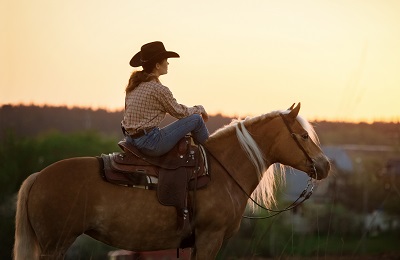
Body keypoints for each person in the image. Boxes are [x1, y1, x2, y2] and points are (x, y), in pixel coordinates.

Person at [121, 41, 209, 157]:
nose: (168, 63)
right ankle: (212, 154)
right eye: (166, 60)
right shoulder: (158, 89)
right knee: (196, 119)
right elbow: (180, 112)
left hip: (131, 140)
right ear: (157, 65)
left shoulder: (134, 85)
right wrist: (199, 108)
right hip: (149, 143)